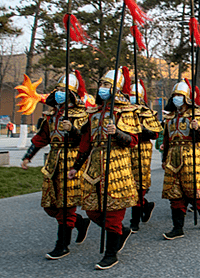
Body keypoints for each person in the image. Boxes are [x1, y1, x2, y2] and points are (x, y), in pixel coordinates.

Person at [69, 69, 140, 270]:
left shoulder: (126, 112)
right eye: (101, 84)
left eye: (106, 85)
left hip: (117, 165)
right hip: (94, 167)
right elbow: (85, 144)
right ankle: (120, 232)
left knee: (113, 213)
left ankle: (111, 253)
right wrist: (76, 167)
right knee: (92, 210)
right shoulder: (94, 115)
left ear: (115, 88)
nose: (102, 88)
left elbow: (132, 140)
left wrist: (116, 132)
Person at [20, 72, 91, 260]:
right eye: (57, 90)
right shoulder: (51, 116)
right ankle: (79, 223)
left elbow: (85, 140)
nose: (59, 93)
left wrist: (73, 130)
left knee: (66, 205)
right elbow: (41, 138)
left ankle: (62, 245)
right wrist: (28, 156)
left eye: (63, 90)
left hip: (72, 161)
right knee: (50, 205)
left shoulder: (82, 114)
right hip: (53, 161)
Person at [161, 80, 200, 240]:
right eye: (174, 95)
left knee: (193, 192)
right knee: (174, 193)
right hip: (172, 157)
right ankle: (178, 227)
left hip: (190, 156)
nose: (176, 98)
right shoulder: (169, 118)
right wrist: (164, 158)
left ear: (186, 98)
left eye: (180, 95)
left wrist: (196, 128)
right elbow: (167, 140)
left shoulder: (197, 115)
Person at [127, 79, 162, 233]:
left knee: (139, 185)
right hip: (126, 150)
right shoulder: (124, 112)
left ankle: (134, 220)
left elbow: (155, 134)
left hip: (142, 149)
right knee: (127, 185)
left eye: (135, 95)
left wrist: (142, 129)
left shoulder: (148, 114)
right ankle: (146, 205)